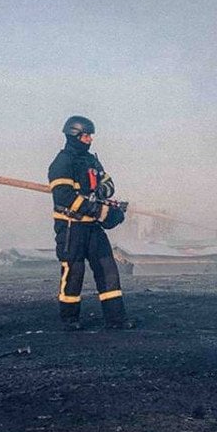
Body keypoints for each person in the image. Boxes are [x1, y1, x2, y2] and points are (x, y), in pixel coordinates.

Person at [48, 115, 131, 330]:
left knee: (108, 270)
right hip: (71, 227)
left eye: (90, 136)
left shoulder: (92, 160)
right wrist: (99, 210)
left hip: (92, 227)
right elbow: (64, 197)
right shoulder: (62, 162)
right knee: (74, 272)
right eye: (86, 136)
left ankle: (116, 319)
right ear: (74, 135)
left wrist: (102, 193)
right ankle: (69, 320)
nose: (90, 140)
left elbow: (108, 183)